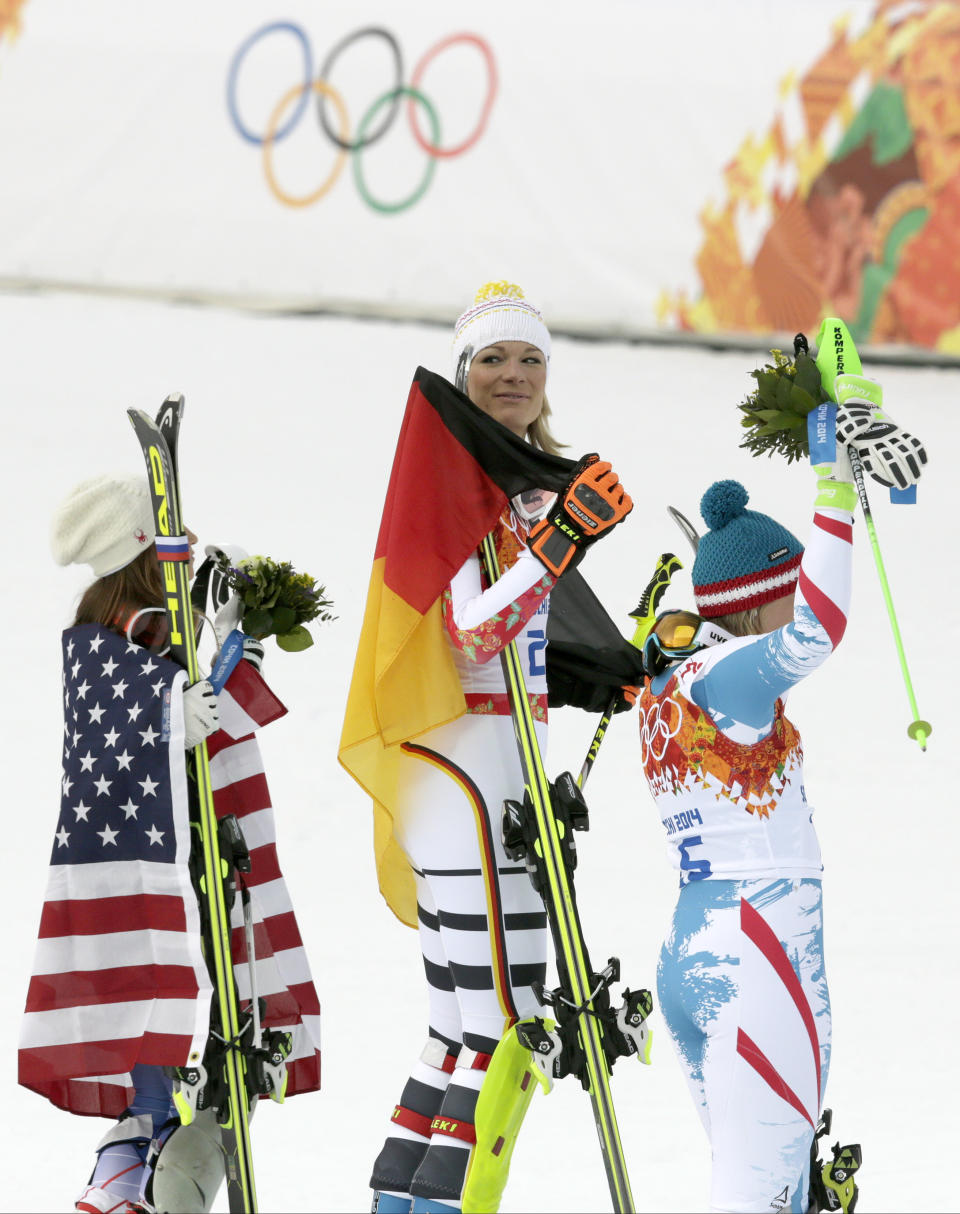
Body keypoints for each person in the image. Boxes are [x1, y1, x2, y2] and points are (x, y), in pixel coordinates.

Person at [353, 283, 633, 1213]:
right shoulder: (465, 482)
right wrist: (562, 539)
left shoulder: (516, 480)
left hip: (478, 768)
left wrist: (622, 665)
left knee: (459, 1031)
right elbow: (473, 633)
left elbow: (533, 642)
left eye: (530, 360)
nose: (513, 376)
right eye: (493, 360)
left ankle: (403, 1201)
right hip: (472, 774)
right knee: (510, 1029)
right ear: (463, 373)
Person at [635, 380, 926, 1212]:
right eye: (787, 587)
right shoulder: (727, 677)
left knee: (783, 1193)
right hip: (760, 948)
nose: (798, 599)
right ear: (758, 600)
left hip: (697, 942)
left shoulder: (673, 678)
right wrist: (835, 489)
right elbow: (819, 631)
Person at [19, 474, 322, 1213]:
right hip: (155, 861)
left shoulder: (170, 615)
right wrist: (164, 711)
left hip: (208, 849)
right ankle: (130, 1175)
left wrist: (237, 628)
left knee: (223, 1008)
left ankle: (161, 1162)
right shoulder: (111, 625)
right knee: (155, 1005)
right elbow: (110, 726)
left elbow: (222, 709)